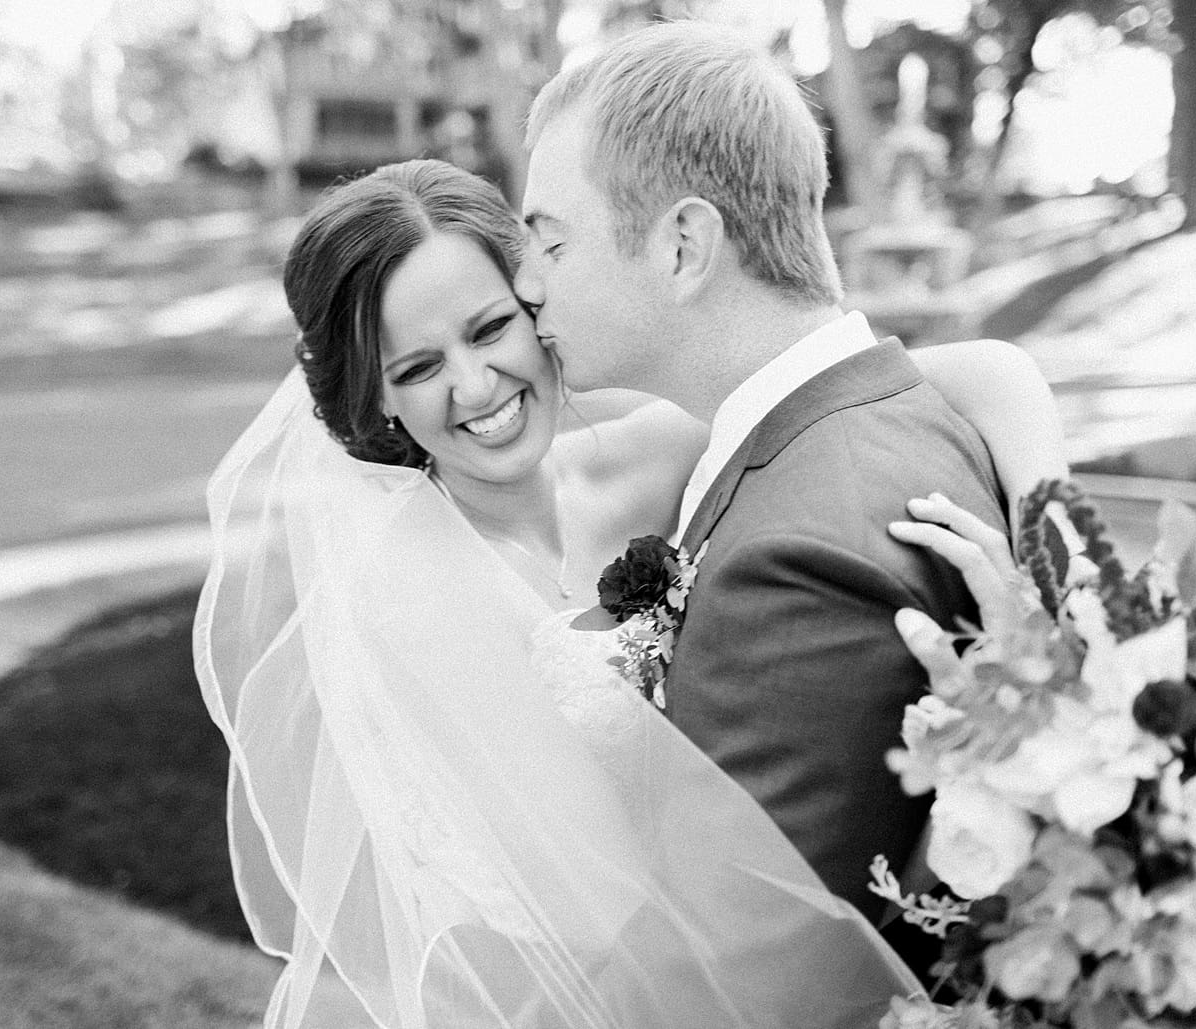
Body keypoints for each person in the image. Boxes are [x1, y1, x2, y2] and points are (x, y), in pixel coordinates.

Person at [195, 158, 1067, 1027]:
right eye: (418, 368)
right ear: (377, 400)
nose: (474, 385)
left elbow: (989, 371)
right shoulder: (409, 593)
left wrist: (1059, 600)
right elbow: (634, 918)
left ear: (540, 302)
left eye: (491, 327)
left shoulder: (646, 453)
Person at [515, 22, 1064, 973]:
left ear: (684, 244)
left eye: (551, 243)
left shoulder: (794, 555)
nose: (526, 284)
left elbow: (740, 983)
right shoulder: (900, 415)